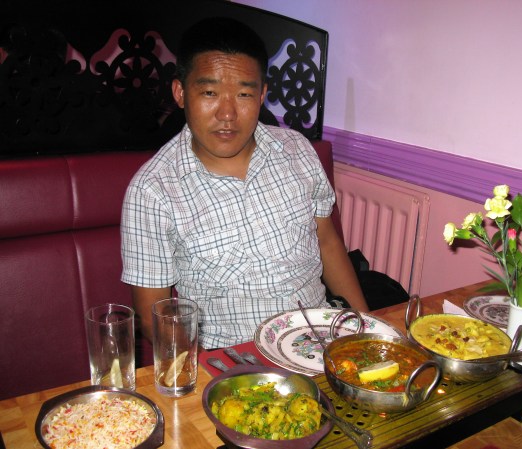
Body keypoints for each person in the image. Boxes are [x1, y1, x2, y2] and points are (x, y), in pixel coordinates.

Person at [120, 16, 368, 350]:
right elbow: (153, 317)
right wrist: (208, 371)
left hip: (321, 342)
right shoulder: (153, 190)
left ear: (262, 94)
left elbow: (328, 243)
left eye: (243, 94)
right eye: (209, 92)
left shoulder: (296, 150)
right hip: (232, 360)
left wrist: (365, 330)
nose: (227, 113)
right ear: (180, 93)